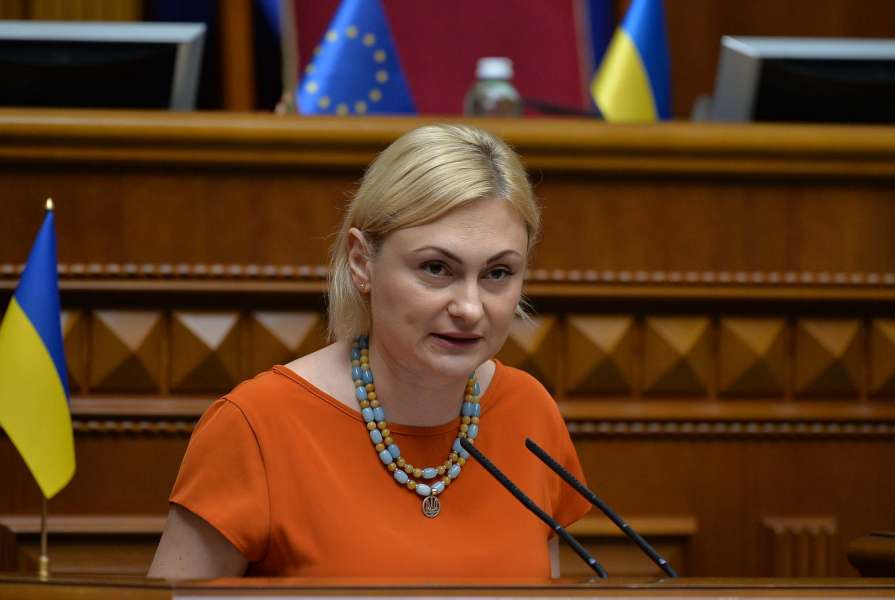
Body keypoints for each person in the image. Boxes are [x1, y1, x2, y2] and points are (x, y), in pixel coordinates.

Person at [148, 124, 590, 579]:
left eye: (498, 273)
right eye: (436, 268)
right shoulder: (255, 424)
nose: (470, 308)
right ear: (362, 262)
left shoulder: (529, 411)